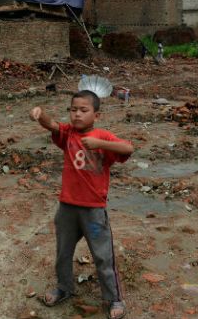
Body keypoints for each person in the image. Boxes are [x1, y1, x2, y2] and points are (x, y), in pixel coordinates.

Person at [29, 90, 134, 319]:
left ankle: (114, 298)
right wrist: (40, 115)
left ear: (96, 114)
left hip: (94, 210)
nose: (77, 114)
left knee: (103, 256)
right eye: (73, 109)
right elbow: (52, 124)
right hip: (67, 207)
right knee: (63, 252)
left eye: (83, 110)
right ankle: (65, 288)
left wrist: (99, 143)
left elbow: (128, 148)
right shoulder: (68, 134)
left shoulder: (103, 136)